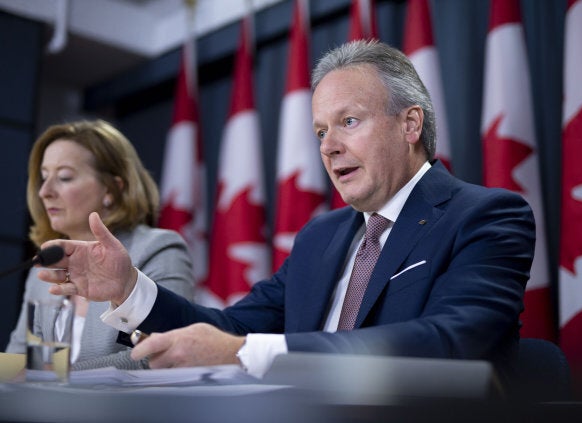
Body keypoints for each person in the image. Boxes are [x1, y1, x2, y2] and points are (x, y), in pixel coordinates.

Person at [38, 40, 535, 380]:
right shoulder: (321, 238)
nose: (330, 146)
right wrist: (130, 290)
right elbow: (231, 330)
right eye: (321, 131)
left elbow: (450, 341)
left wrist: (249, 355)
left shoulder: (487, 215)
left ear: (409, 125)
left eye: (349, 121)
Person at [5, 119, 195, 370]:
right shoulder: (42, 270)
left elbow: (161, 354)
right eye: (43, 177)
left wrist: (56, 377)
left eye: (64, 177)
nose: (45, 192)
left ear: (111, 189)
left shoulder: (158, 249)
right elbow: (18, 356)